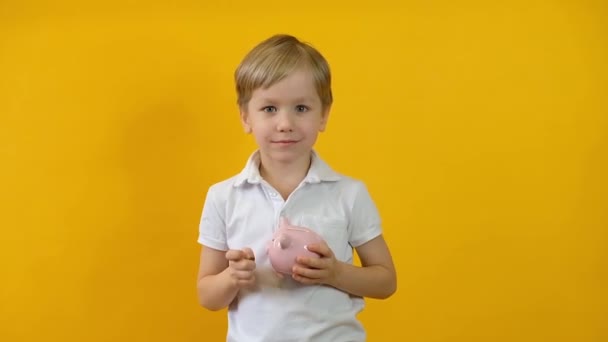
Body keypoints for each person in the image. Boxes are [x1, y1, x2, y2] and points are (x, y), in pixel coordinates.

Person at [196, 33, 397, 342]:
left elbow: (386, 281)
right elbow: (207, 295)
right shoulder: (224, 197)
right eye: (269, 109)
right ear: (245, 116)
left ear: (324, 115)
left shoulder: (348, 194)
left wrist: (335, 273)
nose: (285, 123)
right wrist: (231, 278)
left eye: (301, 108)